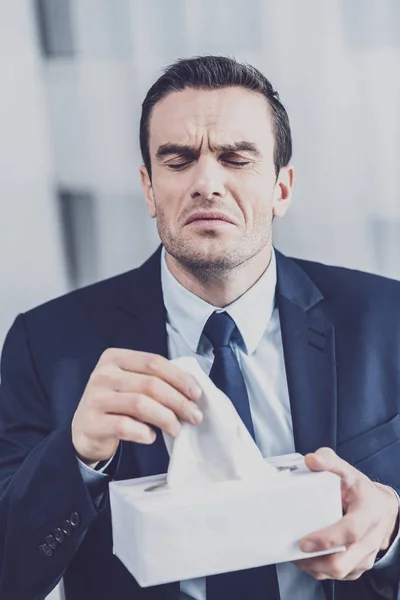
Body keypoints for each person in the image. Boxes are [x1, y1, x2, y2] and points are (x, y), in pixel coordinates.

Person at [0, 55, 399, 600]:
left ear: (282, 188)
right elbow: (10, 573)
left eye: (236, 158)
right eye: (179, 159)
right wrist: (76, 456)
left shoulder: (387, 319)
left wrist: (393, 533)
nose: (206, 183)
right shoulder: (45, 345)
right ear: (148, 188)